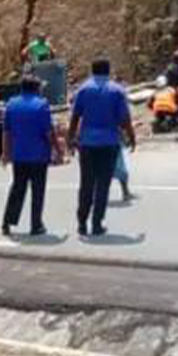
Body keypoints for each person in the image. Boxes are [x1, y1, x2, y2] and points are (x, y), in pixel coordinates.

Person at [68, 59, 136, 237]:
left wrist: (70, 138)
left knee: (86, 184)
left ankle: (82, 222)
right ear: (108, 71)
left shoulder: (82, 90)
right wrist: (132, 137)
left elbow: (75, 117)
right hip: (109, 142)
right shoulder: (117, 90)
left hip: (87, 143)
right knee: (103, 185)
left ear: (92, 71)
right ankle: (97, 223)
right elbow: (125, 119)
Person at [1, 76, 64, 236]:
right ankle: (36, 225)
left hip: (19, 155)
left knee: (17, 188)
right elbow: (49, 132)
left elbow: (6, 132)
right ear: (36, 88)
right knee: (38, 191)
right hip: (38, 155)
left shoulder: (11, 105)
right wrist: (57, 151)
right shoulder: (42, 105)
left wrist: (6, 153)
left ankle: (7, 222)